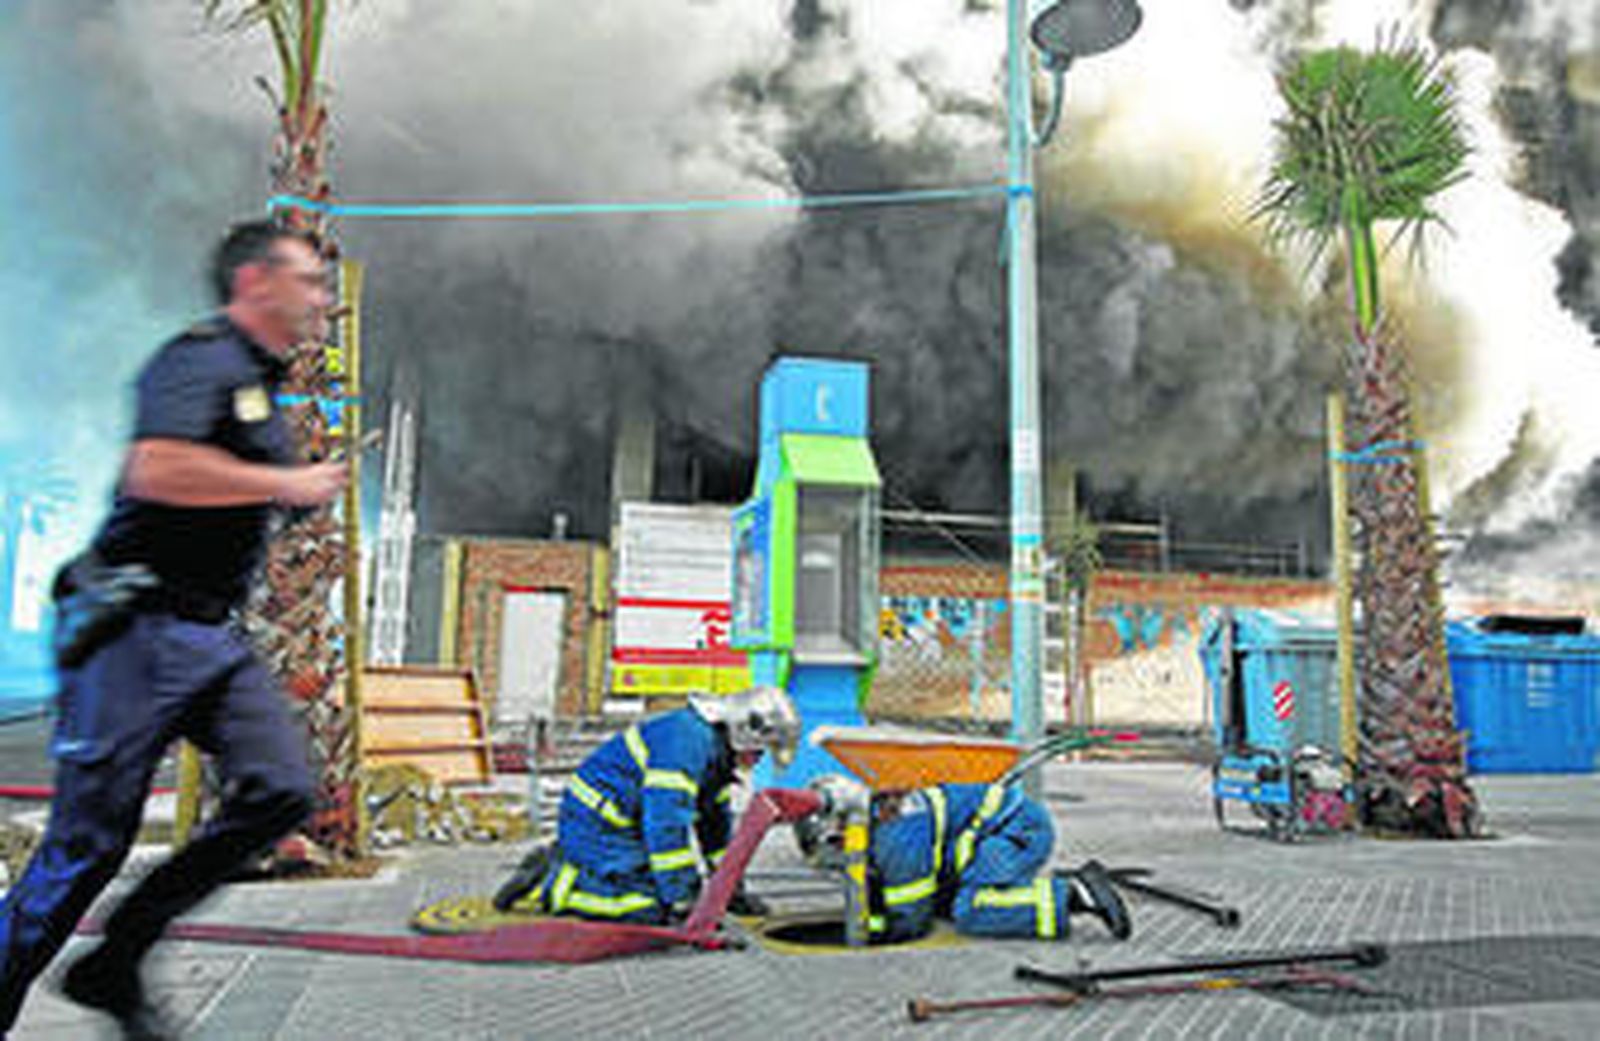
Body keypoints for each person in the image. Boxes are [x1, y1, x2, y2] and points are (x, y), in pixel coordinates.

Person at [0, 220, 348, 1041]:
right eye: (307, 281)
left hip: (209, 637)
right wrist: (284, 482)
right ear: (255, 282)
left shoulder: (261, 386)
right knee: (86, 849)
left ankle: (117, 956)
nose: (321, 300)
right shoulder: (200, 358)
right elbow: (155, 468)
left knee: (283, 789)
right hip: (133, 629)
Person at [492, 687, 799, 924]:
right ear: (744, 731)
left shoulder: (717, 753)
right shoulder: (687, 741)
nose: (758, 760)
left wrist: (731, 890)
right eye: (760, 751)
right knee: (648, 909)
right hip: (597, 825)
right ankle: (555, 882)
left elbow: (714, 829)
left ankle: (575, 870)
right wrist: (684, 896)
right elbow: (666, 824)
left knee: (661, 895)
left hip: (625, 826)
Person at [810, 776, 1131, 945]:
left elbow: (910, 921)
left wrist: (877, 933)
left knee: (971, 911)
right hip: (999, 830)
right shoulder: (881, 817)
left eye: (837, 845)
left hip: (1017, 831)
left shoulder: (897, 837)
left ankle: (1077, 894)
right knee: (945, 905)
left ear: (844, 827)